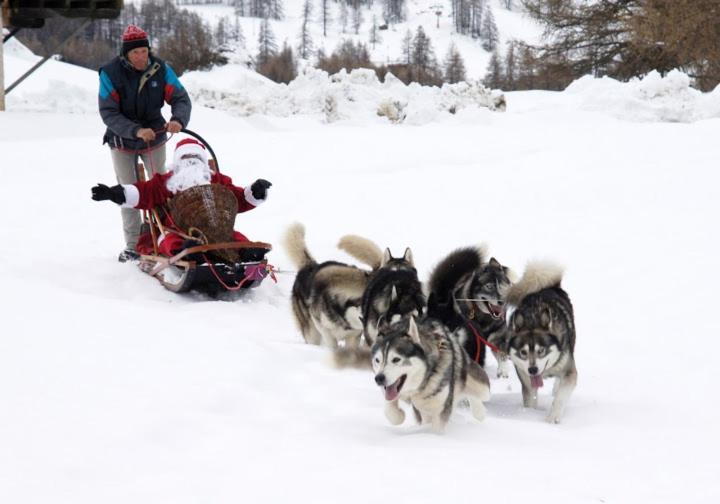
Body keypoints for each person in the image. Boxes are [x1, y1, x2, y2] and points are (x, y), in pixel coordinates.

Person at [98, 24, 192, 262]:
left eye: (144, 51)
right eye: (135, 53)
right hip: (122, 140)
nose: (141, 57)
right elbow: (108, 112)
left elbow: (180, 97)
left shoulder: (161, 69)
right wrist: (136, 130)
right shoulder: (110, 73)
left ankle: (167, 237)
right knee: (128, 192)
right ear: (126, 54)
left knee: (162, 189)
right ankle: (132, 245)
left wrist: (178, 119)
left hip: (156, 138)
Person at [91, 138, 272, 259]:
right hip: (177, 229)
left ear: (202, 160)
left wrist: (254, 192)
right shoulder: (167, 181)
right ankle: (186, 253)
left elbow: (236, 199)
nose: (190, 161)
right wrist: (114, 193)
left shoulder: (216, 180)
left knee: (232, 236)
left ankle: (248, 252)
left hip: (215, 227)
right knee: (168, 240)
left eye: (195, 157)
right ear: (178, 161)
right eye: (186, 157)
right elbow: (144, 192)